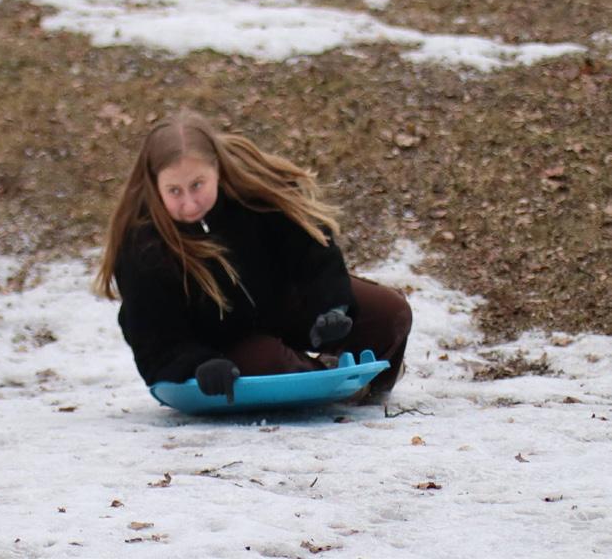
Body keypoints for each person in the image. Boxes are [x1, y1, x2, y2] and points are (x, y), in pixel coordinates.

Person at [95, 110, 412, 404]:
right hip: (219, 349)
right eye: (174, 191)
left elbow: (313, 249)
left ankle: (363, 386)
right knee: (269, 363)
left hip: (277, 305)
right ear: (155, 185)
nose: (189, 204)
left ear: (217, 169)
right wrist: (197, 363)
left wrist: (331, 307)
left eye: (197, 185)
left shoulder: (253, 192)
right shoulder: (143, 243)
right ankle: (329, 385)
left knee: (388, 312)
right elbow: (153, 336)